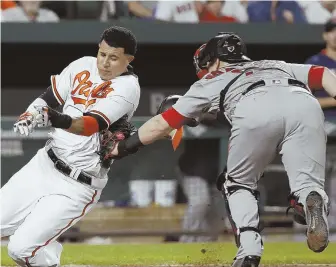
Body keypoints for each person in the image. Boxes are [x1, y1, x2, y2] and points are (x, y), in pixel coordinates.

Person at [110, 32, 335, 267]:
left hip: (254, 105)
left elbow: (160, 124)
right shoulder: (275, 64)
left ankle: (249, 251)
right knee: (308, 184)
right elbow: (323, 74)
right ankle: (310, 199)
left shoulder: (213, 78)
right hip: (305, 104)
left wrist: (123, 147)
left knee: (237, 183)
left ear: (213, 61)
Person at [0, 26, 140, 267]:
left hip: (77, 184)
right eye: (102, 54)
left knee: (21, 250)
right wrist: (31, 112)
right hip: (44, 164)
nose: (104, 62)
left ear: (128, 60)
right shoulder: (83, 65)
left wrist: (53, 117)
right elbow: (50, 98)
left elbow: (88, 125)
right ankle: (46, 246)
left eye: (113, 57)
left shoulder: (127, 88)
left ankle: (47, 256)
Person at [305, 18, 336, 238]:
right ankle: (312, 233)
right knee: (317, 186)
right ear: (325, 35)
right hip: (321, 131)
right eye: (331, 31)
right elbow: (307, 100)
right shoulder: (315, 63)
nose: (335, 35)